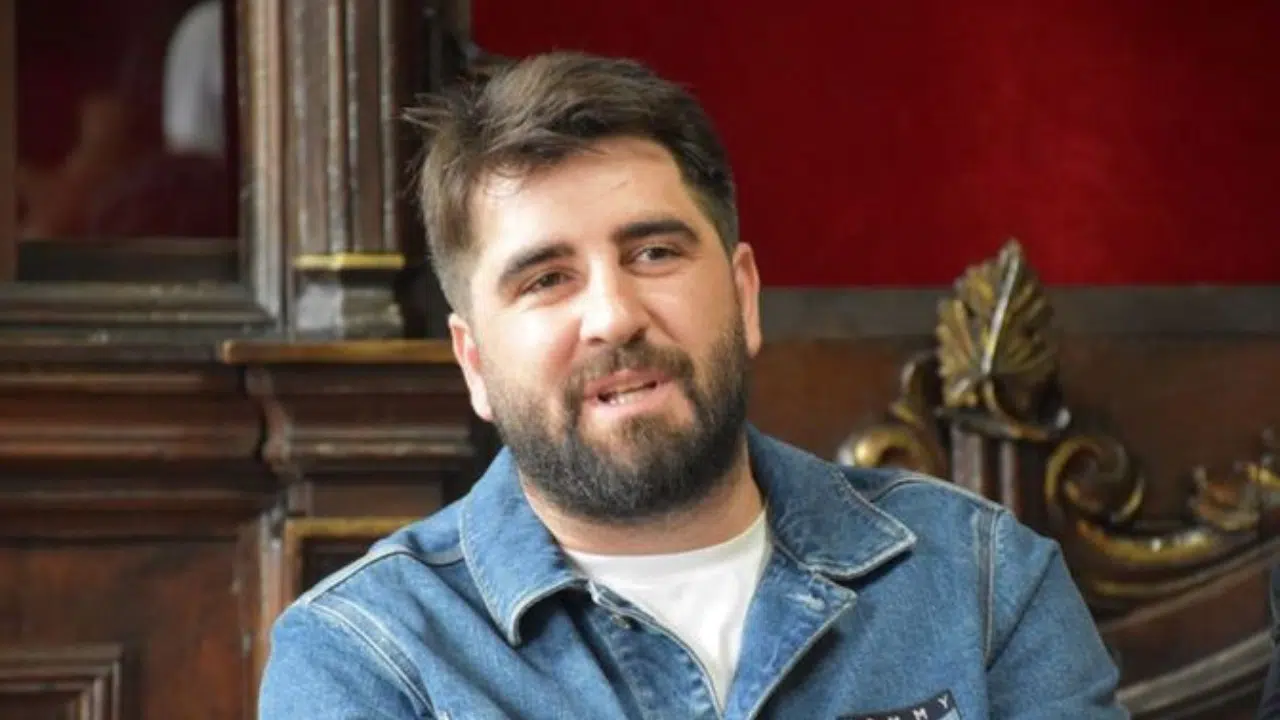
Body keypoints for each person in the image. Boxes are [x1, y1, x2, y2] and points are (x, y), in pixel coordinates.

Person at [257, 51, 1128, 719]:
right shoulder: (366, 656)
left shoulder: (979, 581)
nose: (614, 316)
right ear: (474, 360)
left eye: (653, 253)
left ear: (743, 296)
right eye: (547, 279)